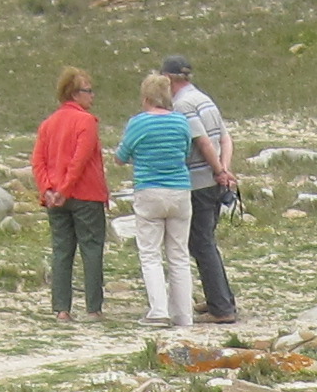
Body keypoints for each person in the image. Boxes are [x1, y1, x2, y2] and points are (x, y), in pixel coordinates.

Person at [162, 53, 241, 323]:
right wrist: (224, 168)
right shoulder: (203, 99)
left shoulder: (182, 105)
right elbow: (225, 138)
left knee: (201, 243)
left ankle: (221, 307)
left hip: (199, 181)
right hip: (214, 179)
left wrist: (218, 170)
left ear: (168, 78)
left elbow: (203, 141)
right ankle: (221, 297)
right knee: (206, 241)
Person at [118, 72, 199, 330]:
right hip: (179, 190)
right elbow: (185, 151)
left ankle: (159, 311)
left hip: (149, 189)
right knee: (179, 255)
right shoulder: (181, 122)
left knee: (150, 253)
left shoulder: (138, 123)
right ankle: (184, 315)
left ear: (146, 98)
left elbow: (121, 156)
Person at [32, 66, 106, 322]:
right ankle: (93, 308)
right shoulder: (86, 121)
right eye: (88, 90)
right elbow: (80, 160)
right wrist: (65, 188)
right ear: (75, 93)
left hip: (55, 197)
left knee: (62, 250)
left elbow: (38, 161)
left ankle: (62, 308)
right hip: (86, 195)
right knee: (91, 249)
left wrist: (48, 189)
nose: (92, 95)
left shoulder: (47, 124)